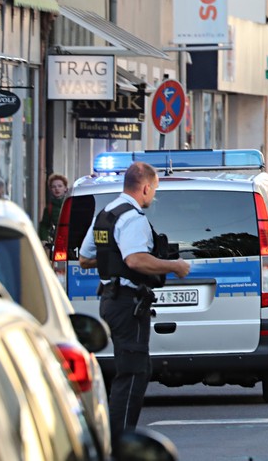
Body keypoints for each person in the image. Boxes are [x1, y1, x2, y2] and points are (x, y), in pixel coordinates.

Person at [78, 162, 190, 444]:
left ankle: (117, 436)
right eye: (154, 190)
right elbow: (135, 259)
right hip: (128, 303)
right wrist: (173, 265)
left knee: (133, 369)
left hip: (110, 299)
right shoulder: (134, 218)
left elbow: (86, 257)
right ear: (145, 188)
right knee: (133, 373)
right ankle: (121, 442)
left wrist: (114, 261)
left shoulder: (106, 214)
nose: (153, 196)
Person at [38, 173, 69, 248]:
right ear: (50, 189)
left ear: (65, 188)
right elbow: (44, 225)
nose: (57, 189)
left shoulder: (71, 203)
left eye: (60, 186)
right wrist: (44, 239)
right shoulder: (49, 208)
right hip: (58, 241)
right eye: (54, 187)